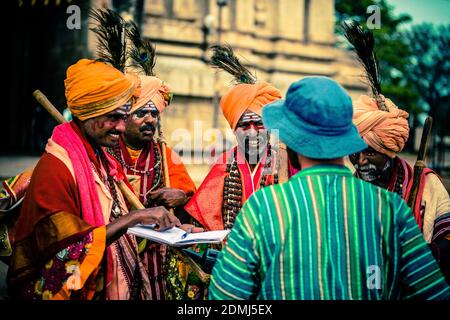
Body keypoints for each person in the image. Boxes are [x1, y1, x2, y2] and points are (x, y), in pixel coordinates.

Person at [208, 76, 450, 300]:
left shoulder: (263, 208)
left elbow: (224, 297)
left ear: (291, 145)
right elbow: (435, 293)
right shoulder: (391, 209)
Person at [7, 59, 181, 300]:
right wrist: (134, 218)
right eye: (114, 118)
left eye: (123, 118)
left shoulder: (100, 158)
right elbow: (65, 251)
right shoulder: (56, 168)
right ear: (89, 114)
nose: (121, 128)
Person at [106, 22, 198, 299]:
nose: (149, 120)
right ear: (123, 117)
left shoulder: (163, 154)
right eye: (140, 113)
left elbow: (189, 195)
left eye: (154, 113)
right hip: (113, 249)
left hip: (155, 253)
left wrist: (180, 196)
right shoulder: (106, 150)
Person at [184, 45, 285, 231]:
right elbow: (203, 216)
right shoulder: (224, 163)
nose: (253, 132)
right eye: (244, 125)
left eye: (259, 123)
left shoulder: (285, 163)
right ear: (234, 129)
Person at [351, 94, 450, 283]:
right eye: (355, 152)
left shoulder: (427, 185)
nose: (361, 160)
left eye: (370, 152)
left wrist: (424, 252)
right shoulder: (346, 190)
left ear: (389, 151)